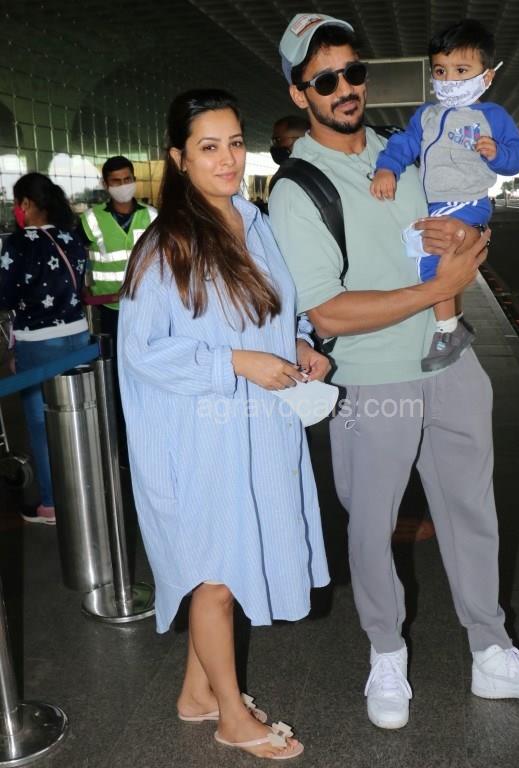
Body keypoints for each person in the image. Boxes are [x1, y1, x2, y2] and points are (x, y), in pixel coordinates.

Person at [269, 13, 519, 731]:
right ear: (299, 94)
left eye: (353, 72)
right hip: (371, 380)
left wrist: (470, 235)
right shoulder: (297, 189)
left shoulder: (405, 148)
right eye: (325, 80)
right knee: (371, 525)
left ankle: (491, 651)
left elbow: (462, 220)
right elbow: (329, 311)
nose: (345, 88)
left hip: (451, 362)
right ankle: (386, 653)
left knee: (474, 511)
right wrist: (438, 288)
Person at [117, 88, 331, 760]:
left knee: (231, 560)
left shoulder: (252, 222)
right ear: (179, 158)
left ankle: (196, 693)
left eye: (235, 143)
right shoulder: (166, 245)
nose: (228, 159)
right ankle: (232, 718)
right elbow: (143, 352)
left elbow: (271, 310)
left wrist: (297, 343)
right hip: (199, 436)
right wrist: (235, 363)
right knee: (216, 574)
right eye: (209, 147)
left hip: (256, 429)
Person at [370, 19, 519, 372]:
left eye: (461, 70)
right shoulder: (426, 115)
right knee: (420, 252)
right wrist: (386, 168)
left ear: (486, 76)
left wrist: (498, 153)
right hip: (435, 201)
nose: (449, 79)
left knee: (430, 255)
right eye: (441, 70)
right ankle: (449, 320)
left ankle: (447, 330)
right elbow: (403, 144)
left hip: (466, 199)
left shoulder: (493, 116)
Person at [0, 172, 89, 524]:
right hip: (79, 336)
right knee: (77, 415)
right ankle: (86, 489)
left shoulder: (20, 243)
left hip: (39, 342)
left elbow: (5, 295)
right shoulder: (72, 237)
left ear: (26, 203)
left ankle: (52, 503)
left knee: (42, 425)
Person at [79, 156, 157, 463]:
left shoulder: (152, 216)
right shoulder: (90, 220)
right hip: (109, 312)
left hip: (148, 311)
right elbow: (78, 261)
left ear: (134, 179)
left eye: (127, 179)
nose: (123, 186)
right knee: (115, 380)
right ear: (105, 184)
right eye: (116, 181)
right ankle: (124, 448)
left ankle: (152, 438)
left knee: (149, 375)